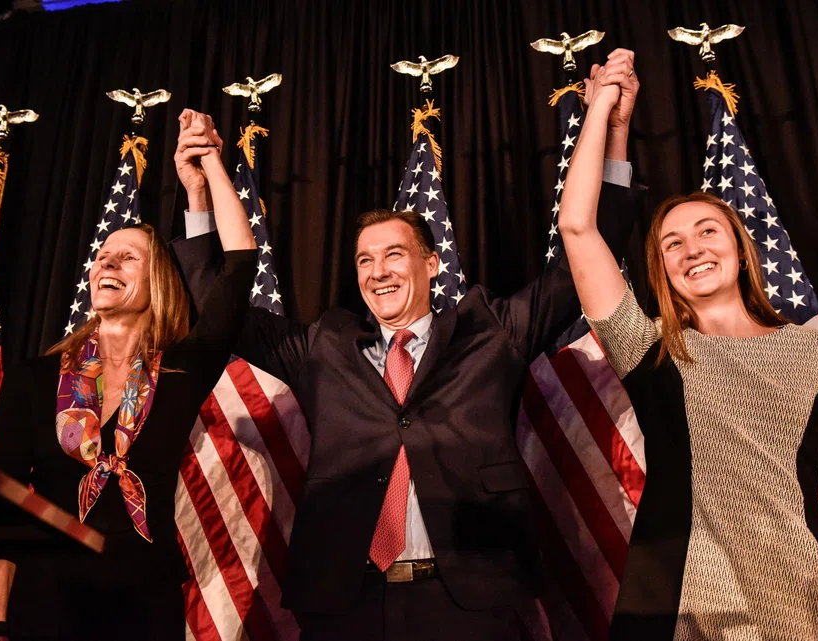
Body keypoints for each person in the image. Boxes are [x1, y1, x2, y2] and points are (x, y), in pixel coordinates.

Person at [171, 51, 642, 641]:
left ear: (432, 264)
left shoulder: (490, 330)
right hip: (346, 606)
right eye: (365, 260)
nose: (378, 271)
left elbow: (585, 263)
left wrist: (614, 132)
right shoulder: (323, 347)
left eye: (394, 254)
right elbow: (223, 310)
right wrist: (201, 190)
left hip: (472, 605)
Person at [558, 51, 818, 640]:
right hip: (683, 613)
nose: (693, 248)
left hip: (811, 612)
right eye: (672, 243)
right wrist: (603, 110)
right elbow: (578, 227)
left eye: (707, 231)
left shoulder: (816, 353)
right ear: (661, 268)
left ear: (741, 250)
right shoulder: (647, 346)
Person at [0, 110, 257, 641]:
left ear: (159, 282)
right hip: (45, 608)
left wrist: (208, 167)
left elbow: (239, 265)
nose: (106, 263)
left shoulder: (181, 371)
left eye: (127, 259)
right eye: (103, 256)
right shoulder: (35, 378)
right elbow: (0, 512)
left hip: (143, 610)